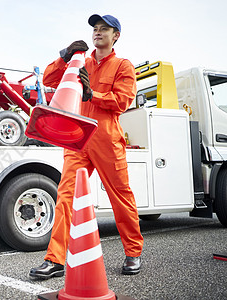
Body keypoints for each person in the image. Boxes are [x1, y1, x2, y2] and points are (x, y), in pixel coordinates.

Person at [29, 14, 144, 278]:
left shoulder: (122, 65)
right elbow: (48, 79)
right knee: (65, 196)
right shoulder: (81, 61)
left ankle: (133, 252)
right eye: (95, 28)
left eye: (105, 29)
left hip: (106, 138)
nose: (98, 32)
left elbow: (124, 100)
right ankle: (55, 259)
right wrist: (65, 56)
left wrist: (96, 94)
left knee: (120, 196)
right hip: (78, 138)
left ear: (116, 36)